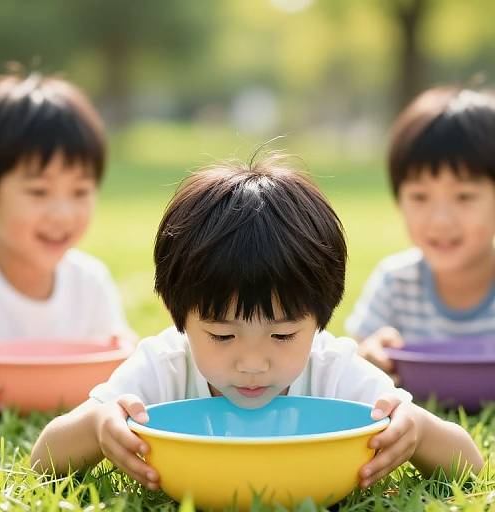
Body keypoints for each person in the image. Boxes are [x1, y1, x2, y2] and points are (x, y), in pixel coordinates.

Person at [31, 153, 483, 493]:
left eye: (284, 334)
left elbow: (470, 465)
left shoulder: (333, 368)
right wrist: (96, 427)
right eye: (222, 334)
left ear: (320, 320)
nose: (252, 362)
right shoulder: (164, 365)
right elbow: (42, 460)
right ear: (181, 319)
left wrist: (418, 431)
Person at [0, 73, 134, 410]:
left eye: (80, 191)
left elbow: (119, 359)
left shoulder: (89, 282)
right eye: (39, 192)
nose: (63, 214)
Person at [345, 86, 495, 373]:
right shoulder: (395, 283)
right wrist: (372, 355)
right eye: (419, 197)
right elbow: (356, 361)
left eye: (464, 196)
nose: (439, 220)